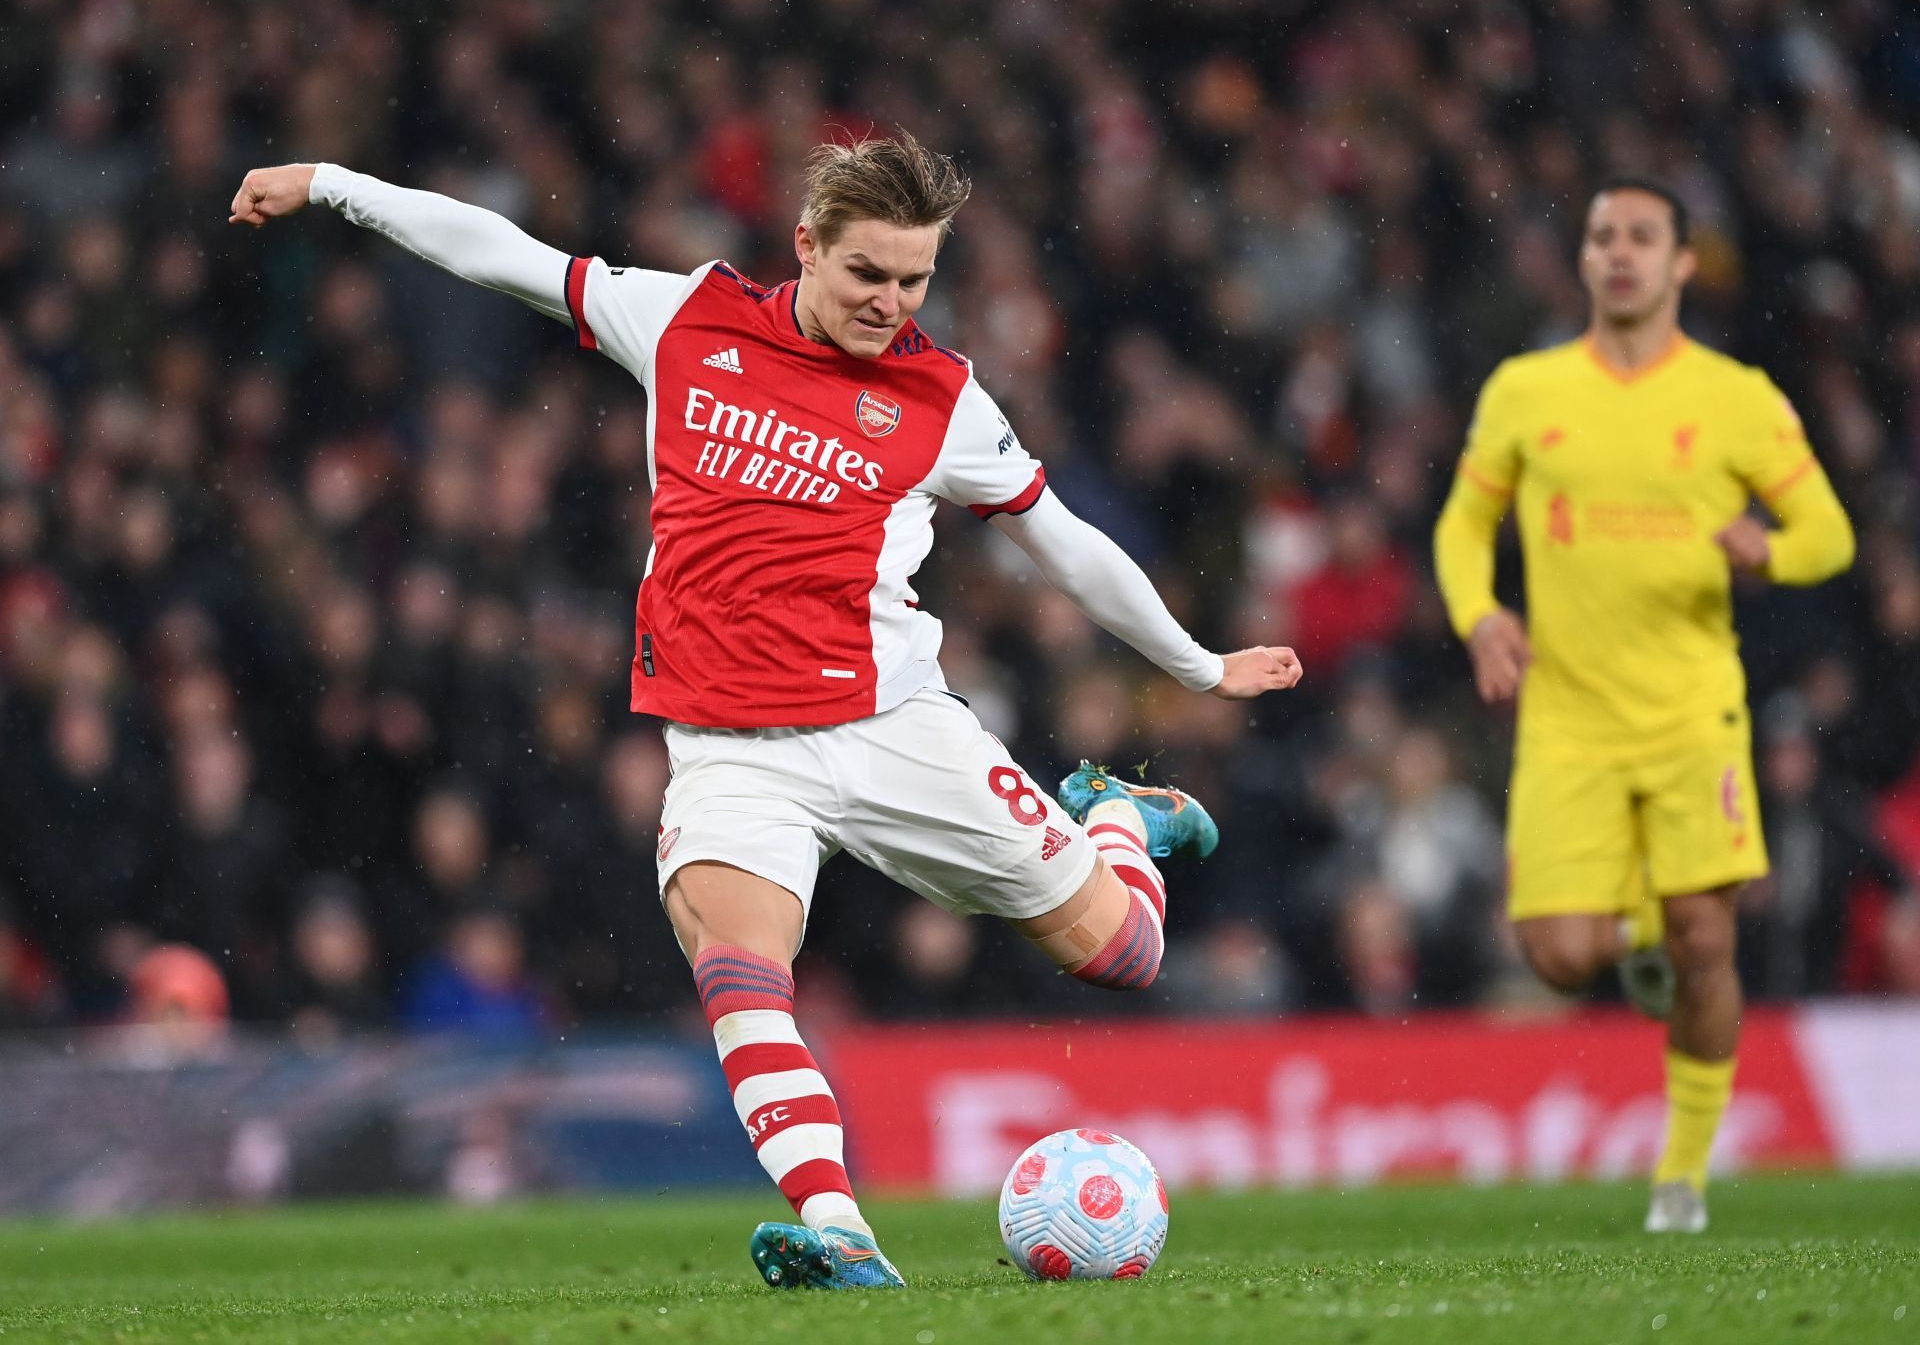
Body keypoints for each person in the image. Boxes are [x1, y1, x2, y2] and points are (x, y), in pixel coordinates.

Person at [229, 132, 1302, 1288]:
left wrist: (1197, 667)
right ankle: (841, 1233)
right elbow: (502, 254)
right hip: (733, 752)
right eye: (867, 276)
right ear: (806, 246)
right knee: (741, 971)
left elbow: (1067, 546)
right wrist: (336, 186)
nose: (891, 303)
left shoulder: (941, 399)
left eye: (914, 281)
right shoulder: (687, 320)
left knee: (1128, 956)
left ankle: (1119, 822)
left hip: (897, 731)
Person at [1433, 180, 1854, 1233]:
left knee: (1708, 937)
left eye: (1642, 238)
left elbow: (1830, 534)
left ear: (1680, 265)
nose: (1619, 253)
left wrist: (1774, 547)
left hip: (1689, 713)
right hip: (1567, 715)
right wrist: (1482, 616)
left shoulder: (1736, 397)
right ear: (1583, 261)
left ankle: (1682, 1174)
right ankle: (1634, 934)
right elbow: (1461, 527)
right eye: (1602, 236)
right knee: (1557, 957)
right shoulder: (1526, 390)